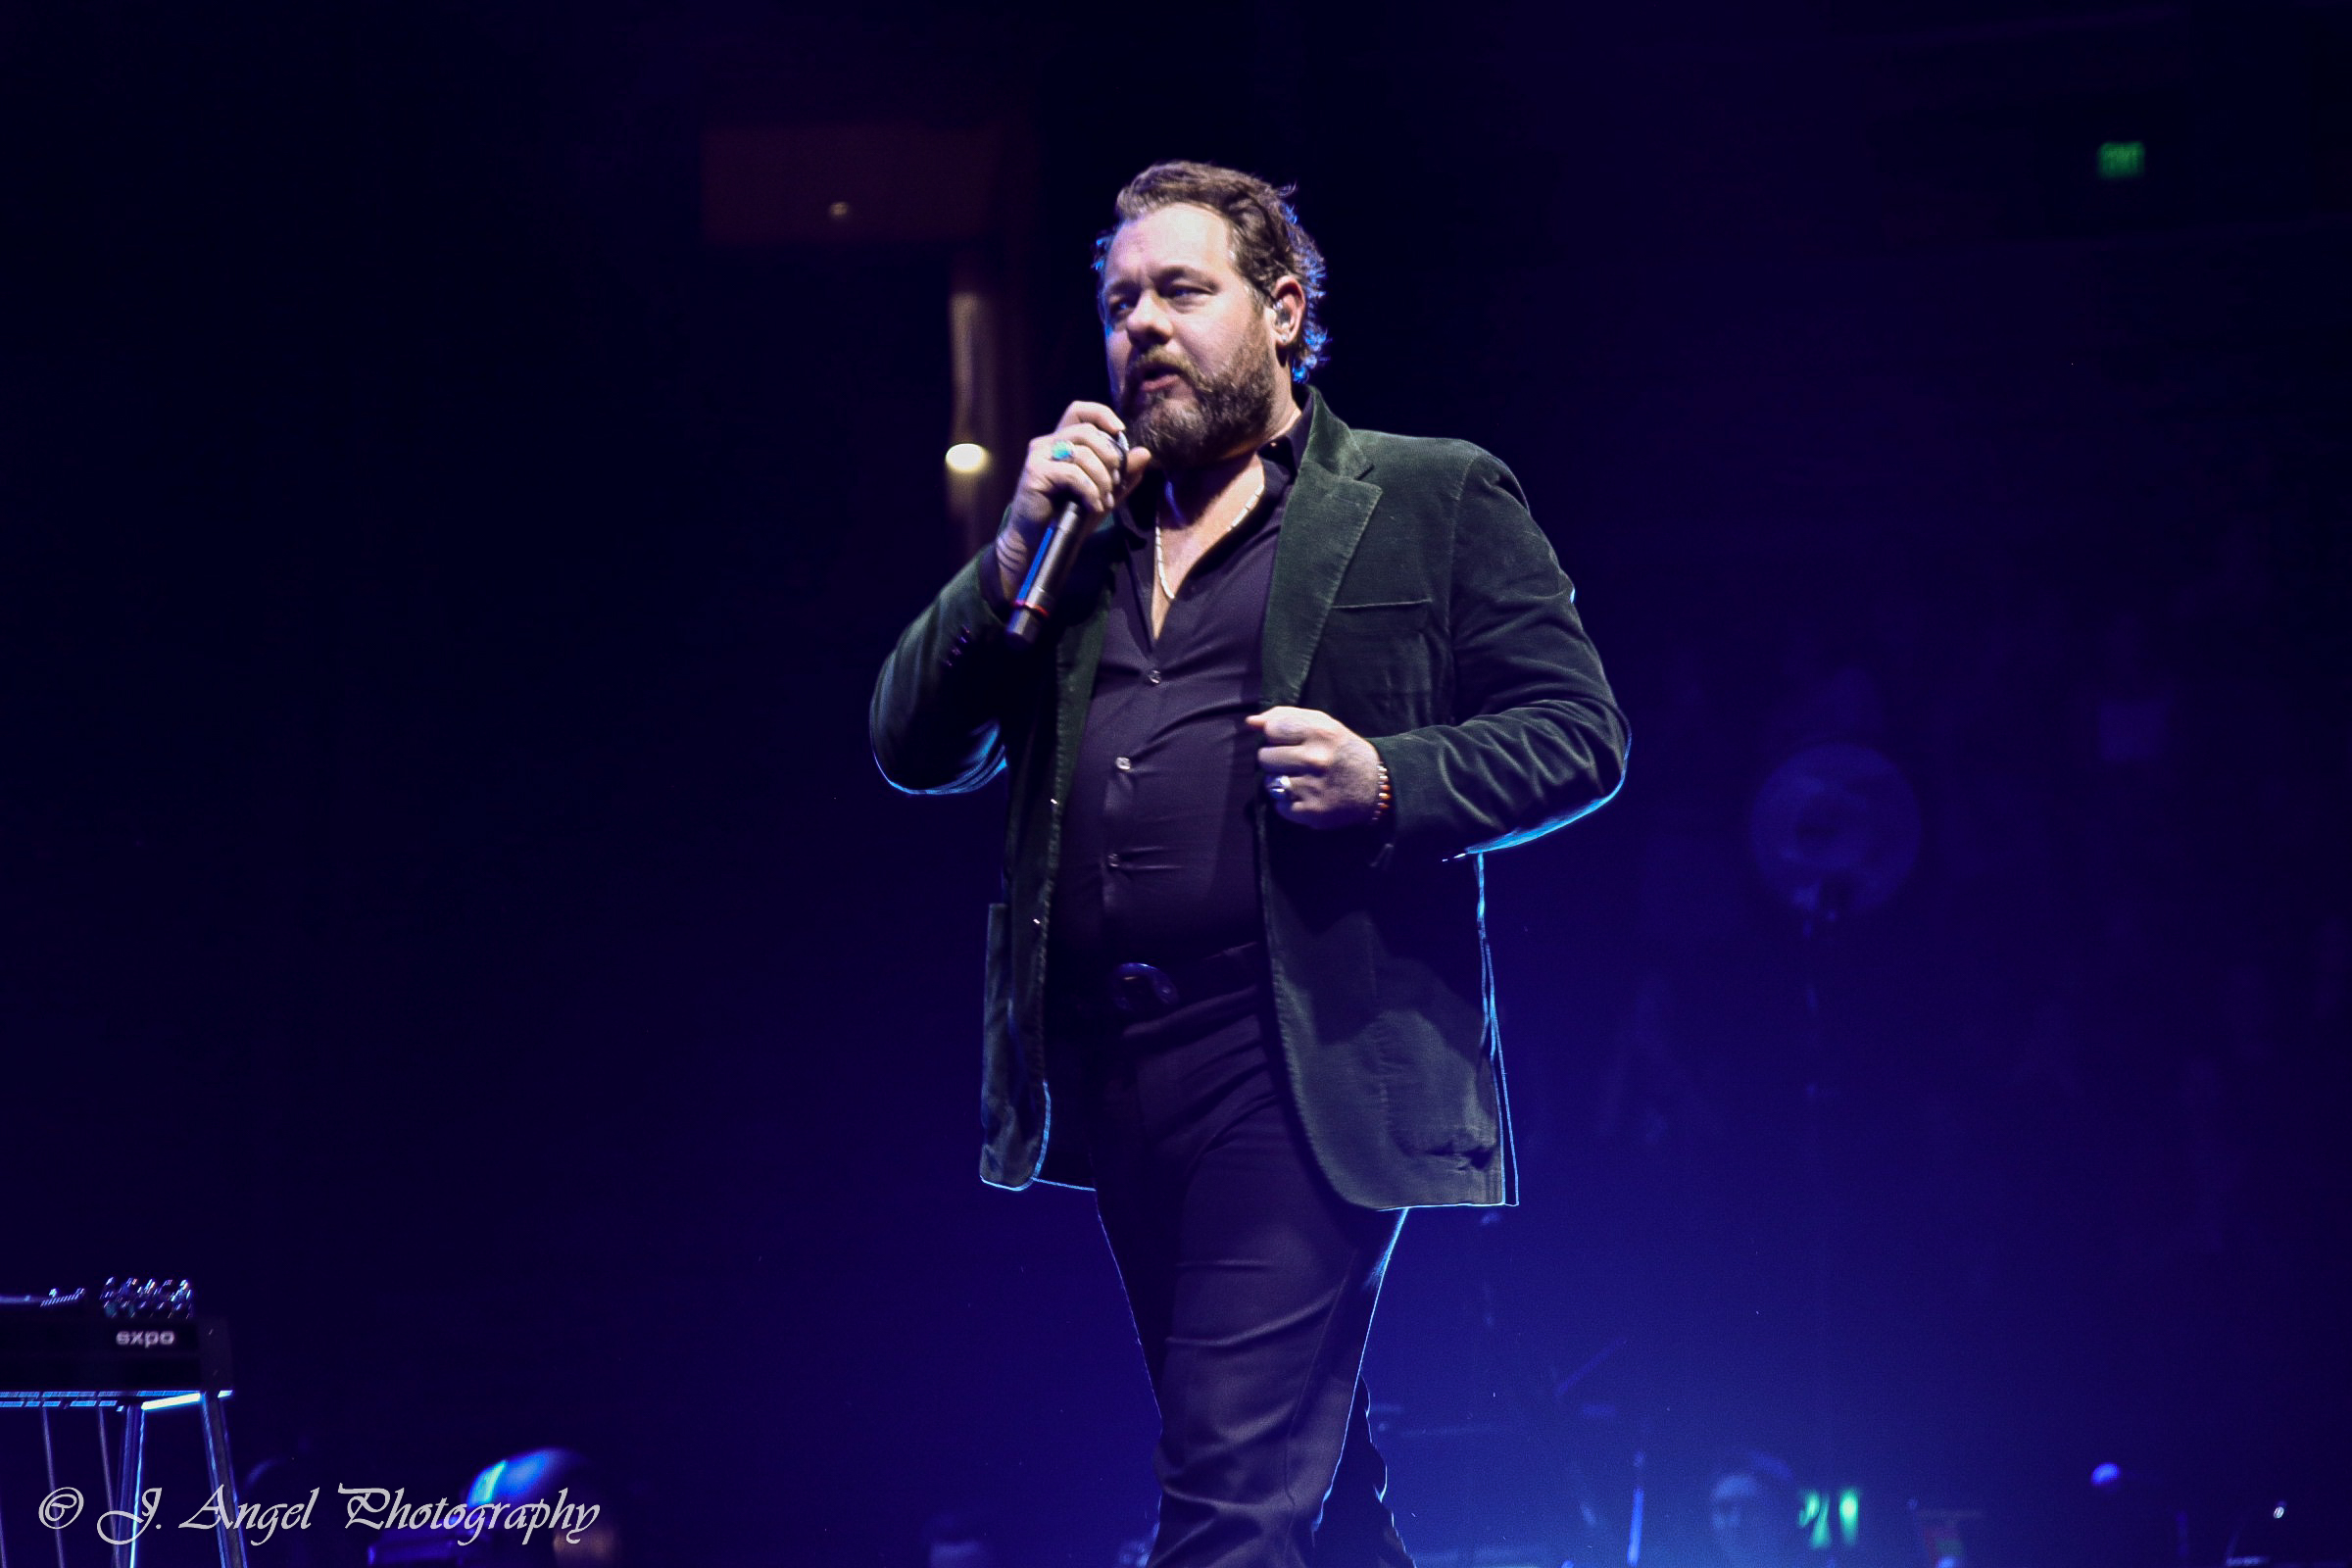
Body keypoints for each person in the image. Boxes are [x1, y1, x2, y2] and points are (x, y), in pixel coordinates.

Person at [870, 161, 1627, 1568]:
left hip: (1295, 1055)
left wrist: (1388, 778)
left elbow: (1580, 734)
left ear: (1282, 311)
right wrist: (1014, 547)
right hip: (1113, 1066)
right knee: (1299, 1490)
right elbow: (912, 743)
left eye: (1181, 291)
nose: (1142, 326)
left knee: (1224, 1492)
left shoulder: (1429, 494)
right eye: (1119, 303)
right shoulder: (1080, 542)